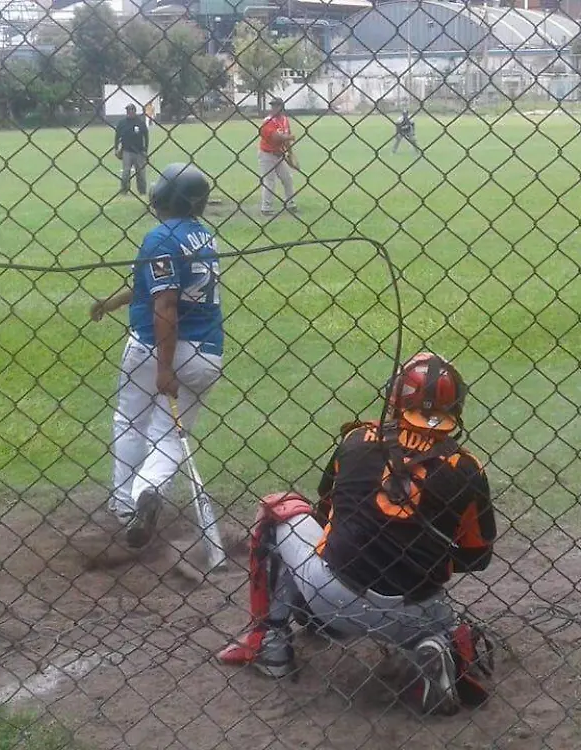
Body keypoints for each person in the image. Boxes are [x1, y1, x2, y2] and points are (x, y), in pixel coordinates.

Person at [217, 353, 497, 716]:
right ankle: (429, 647)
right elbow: (478, 558)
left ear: (394, 399)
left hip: (331, 594)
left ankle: (269, 644)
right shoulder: (469, 469)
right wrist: (423, 549)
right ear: (456, 405)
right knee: (437, 618)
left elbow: (324, 505)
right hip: (415, 611)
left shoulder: (356, 440)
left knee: (279, 506)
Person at [88, 164, 224, 548]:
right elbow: (152, 286)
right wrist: (112, 303)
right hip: (207, 354)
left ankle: (125, 502)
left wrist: (165, 368)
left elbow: (165, 302)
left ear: (160, 197)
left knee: (130, 421)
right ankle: (147, 492)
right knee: (168, 435)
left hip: (154, 348)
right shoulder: (204, 237)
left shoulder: (158, 237)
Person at [258, 96, 297, 215]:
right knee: (269, 181)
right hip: (267, 155)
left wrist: (291, 155)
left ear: (281, 107)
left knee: (287, 178)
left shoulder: (284, 120)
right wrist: (289, 137)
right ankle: (266, 207)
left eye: (277, 105)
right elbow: (275, 137)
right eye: (273, 106)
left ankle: (290, 204)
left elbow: (286, 141)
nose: (274, 108)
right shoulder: (268, 121)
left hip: (279, 155)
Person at [115, 103, 150, 196]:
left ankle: (142, 191)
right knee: (126, 172)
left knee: (141, 173)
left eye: (130, 110)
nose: (129, 112)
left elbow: (146, 136)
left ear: (134, 111)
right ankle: (124, 189)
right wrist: (116, 148)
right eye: (127, 110)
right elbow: (117, 136)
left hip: (139, 152)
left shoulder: (140, 122)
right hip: (126, 151)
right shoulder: (122, 123)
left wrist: (145, 149)